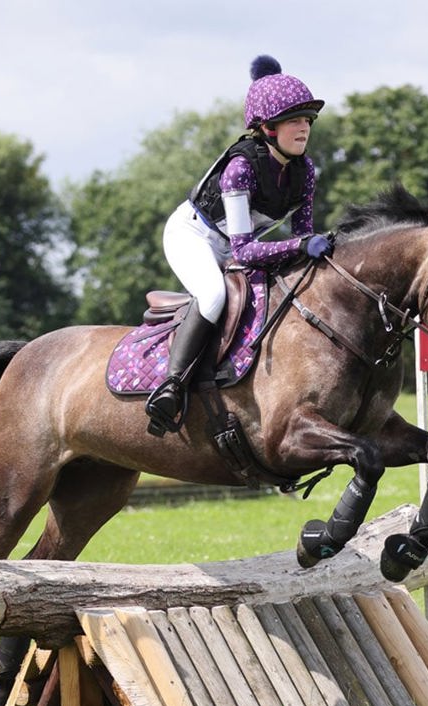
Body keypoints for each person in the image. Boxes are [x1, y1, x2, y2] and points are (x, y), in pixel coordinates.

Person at [145, 55, 333, 436]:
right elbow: (246, 252)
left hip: (233, 246)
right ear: (267, 127)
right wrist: (302, 245)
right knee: (214, 296)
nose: (304, 128)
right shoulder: (241, 167)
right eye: (295, 120)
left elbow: (301, 236)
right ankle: (172, 385)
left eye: (307, 120)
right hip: (193, 236)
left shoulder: (304, 171)